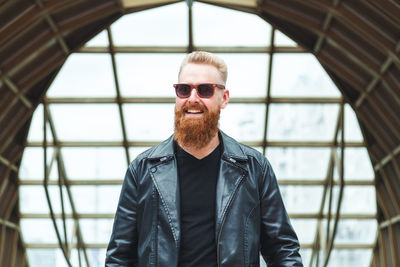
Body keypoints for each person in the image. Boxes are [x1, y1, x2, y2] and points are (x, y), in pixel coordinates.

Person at [105, 51, 303, 266]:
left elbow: (282, 249)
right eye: (183, 89)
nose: (192, 98)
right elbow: (120, 257)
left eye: (204, 90)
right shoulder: (142, 170)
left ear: (224, 98)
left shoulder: (255, 168)